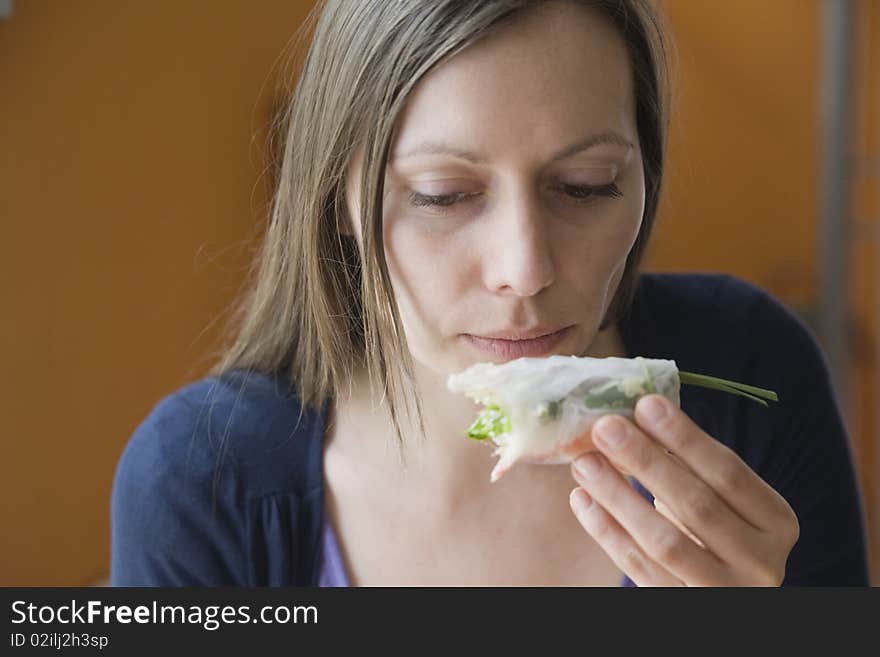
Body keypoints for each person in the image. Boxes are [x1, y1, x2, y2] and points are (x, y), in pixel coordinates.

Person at [110, 0, 870, 586]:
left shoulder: (754, 377)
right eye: (443, 195)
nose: (526, 268)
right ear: (339, 197)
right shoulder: (198, 487)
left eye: (587, 185)